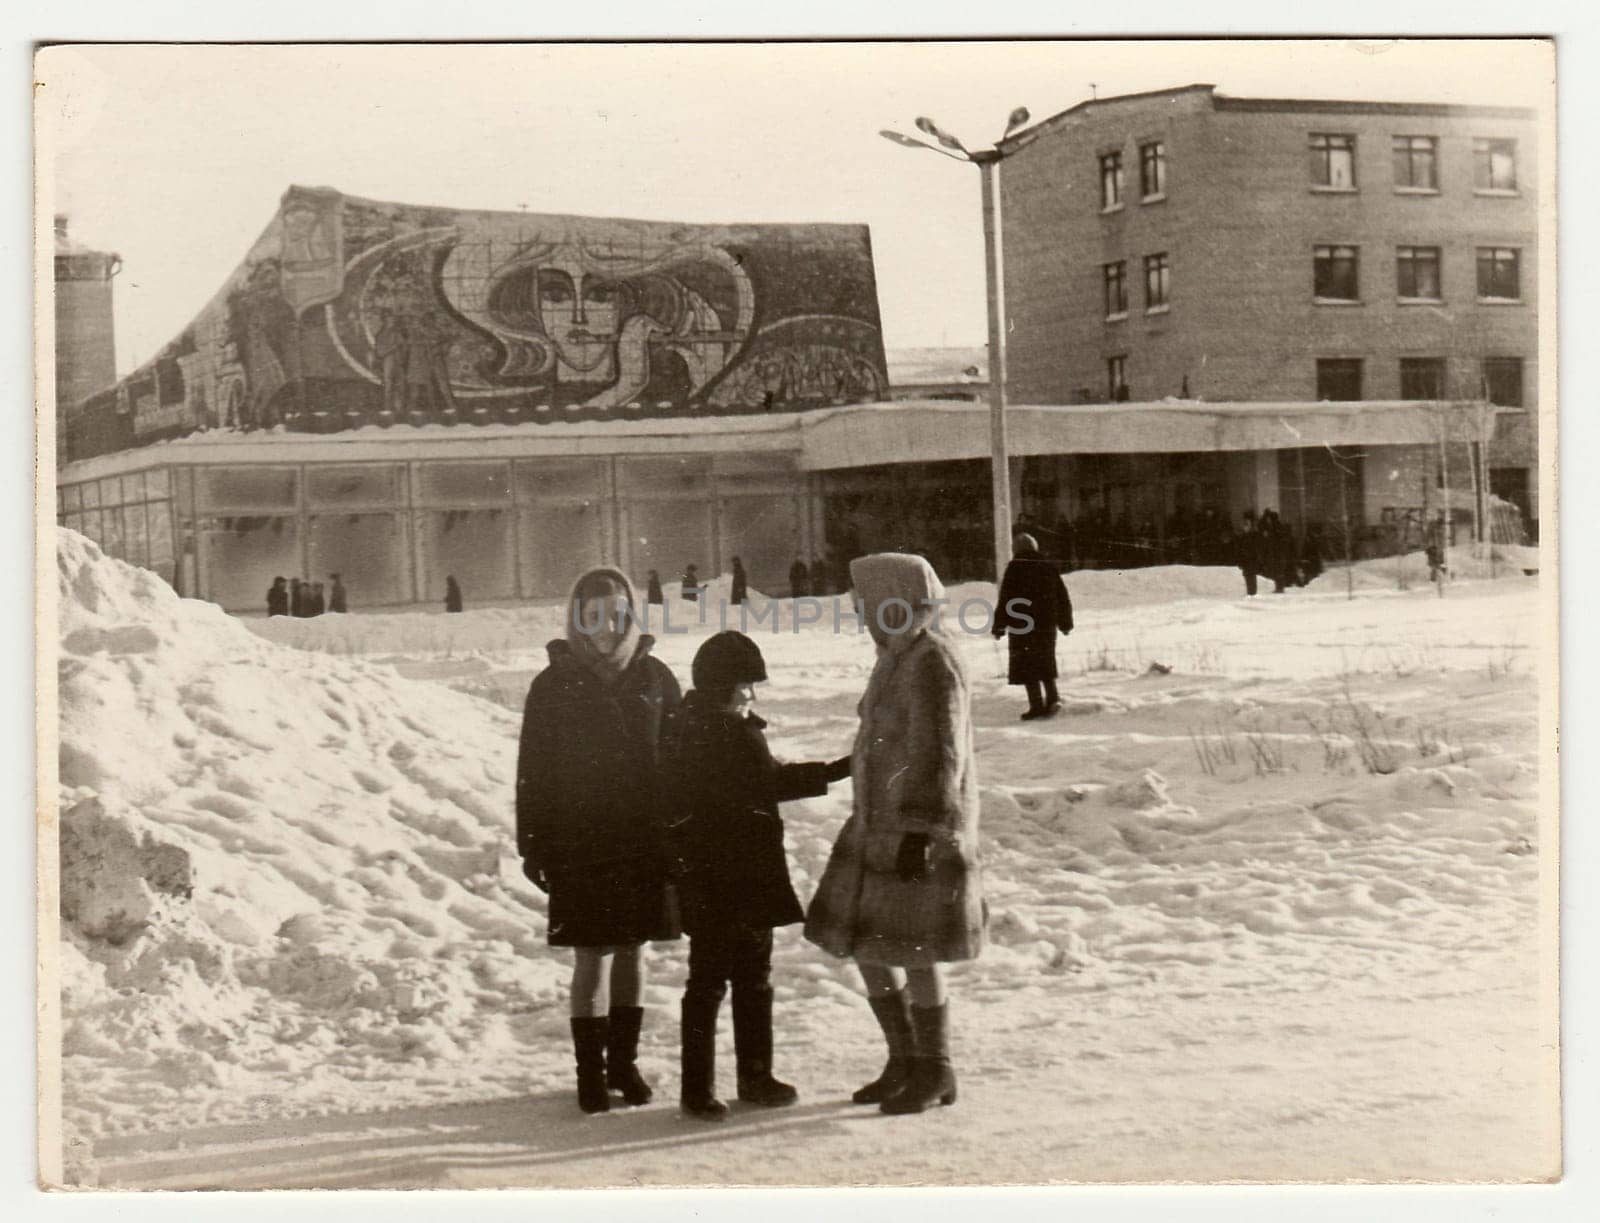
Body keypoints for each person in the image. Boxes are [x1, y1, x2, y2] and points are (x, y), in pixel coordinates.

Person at [804, 553, 985, 1115]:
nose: (859, 614)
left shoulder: (932, 659)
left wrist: (920, 828)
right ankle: (904, 1057)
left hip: (917, 828)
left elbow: (939, 751)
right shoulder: (896, 655)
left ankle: (936, 1067)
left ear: (896, 599)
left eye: (866, 602)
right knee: (868, 945)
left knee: (913, 948)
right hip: (877, 823)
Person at [663, 632, 852, 1120]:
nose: (752, 695)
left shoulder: (709, 727)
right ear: (723, 687)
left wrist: (831, 772)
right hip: (726, 880)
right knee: (719, 983)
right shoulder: (711, 734)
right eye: (746, 685)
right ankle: (713, 1084)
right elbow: (765, 783)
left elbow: (765, 782)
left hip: (735, 880)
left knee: (742, 980)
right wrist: (833, 772)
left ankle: (745, 1077)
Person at [516, 567, 684, 1114]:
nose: (605, 626)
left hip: (643, 837)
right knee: (591, 957)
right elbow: (533, 769)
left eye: (616, 613)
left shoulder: (656, 676)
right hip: (580, 840)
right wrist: (533, 844)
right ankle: (591, 1075)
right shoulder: (553, 682)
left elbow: (682, 757)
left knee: (633, 952)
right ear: (576, 617)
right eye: (593, 614)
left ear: (630, 613)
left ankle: (624, 1065)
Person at [992, 534, 1075, 720]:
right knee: (1045, 660)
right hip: (1046, 624)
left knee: (1027, 665)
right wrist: (1065, 623)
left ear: (1016, 549)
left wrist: (999, 626)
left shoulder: (1015, 568)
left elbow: (1006, 599)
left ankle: (1036, 706)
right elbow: (1062, 597)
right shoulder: (1048, 566)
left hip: (1022, 625)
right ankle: (1053, 699)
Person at [1236, 510, 1260, 597]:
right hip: (1247, 559)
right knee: (1248, 576)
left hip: (1251, 559)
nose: (1245, 528)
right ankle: (1250, 592)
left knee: (1251, 576)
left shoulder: (1253, 535)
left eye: (1246, 526)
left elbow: (1254, 548)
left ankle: (1252, 592)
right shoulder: (1243, 536)